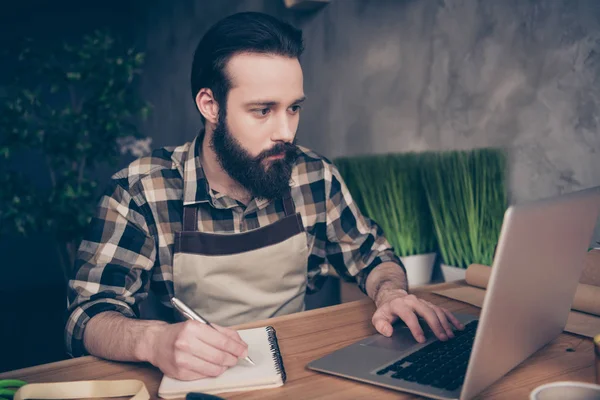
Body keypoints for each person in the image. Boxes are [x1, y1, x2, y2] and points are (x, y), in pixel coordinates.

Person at [65, 11, 464, 381]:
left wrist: (390, 292)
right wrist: (153, 341)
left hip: (297, 370)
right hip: (199, 379)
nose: (286, 132)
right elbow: (87, 315)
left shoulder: (313, 176)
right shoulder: (141, 190)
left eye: (293, 108)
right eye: (262, 110)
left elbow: (373, 256)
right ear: (210, 105)